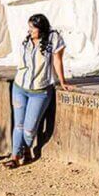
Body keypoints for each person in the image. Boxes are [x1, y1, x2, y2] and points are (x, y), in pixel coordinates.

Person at [5, 14, 74, 168]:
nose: (29, 31)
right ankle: (15, 156)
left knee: (29, 129)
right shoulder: (27, 40)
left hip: (40, 90)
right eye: (29, 27)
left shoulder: (53, 39)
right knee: (18, 125)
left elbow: (57, 60)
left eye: (33, 28)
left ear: (41, 28)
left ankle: (26, 149)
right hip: (20, 86)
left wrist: (62, 81)